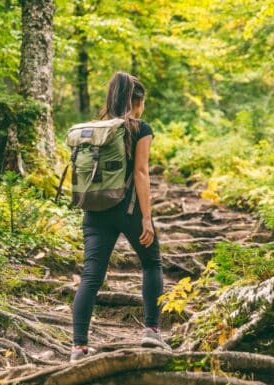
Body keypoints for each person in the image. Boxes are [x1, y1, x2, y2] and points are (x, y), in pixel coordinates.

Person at [70, 71, 171, 361]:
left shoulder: (96, 129)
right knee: (152, 263)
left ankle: (78, 347)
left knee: (90, 277)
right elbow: (141, 172)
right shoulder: (140, 128)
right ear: (136, 101)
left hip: (95, 211)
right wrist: (146, 218)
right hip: (128, 210)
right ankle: (151, 331)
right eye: (143, 102)